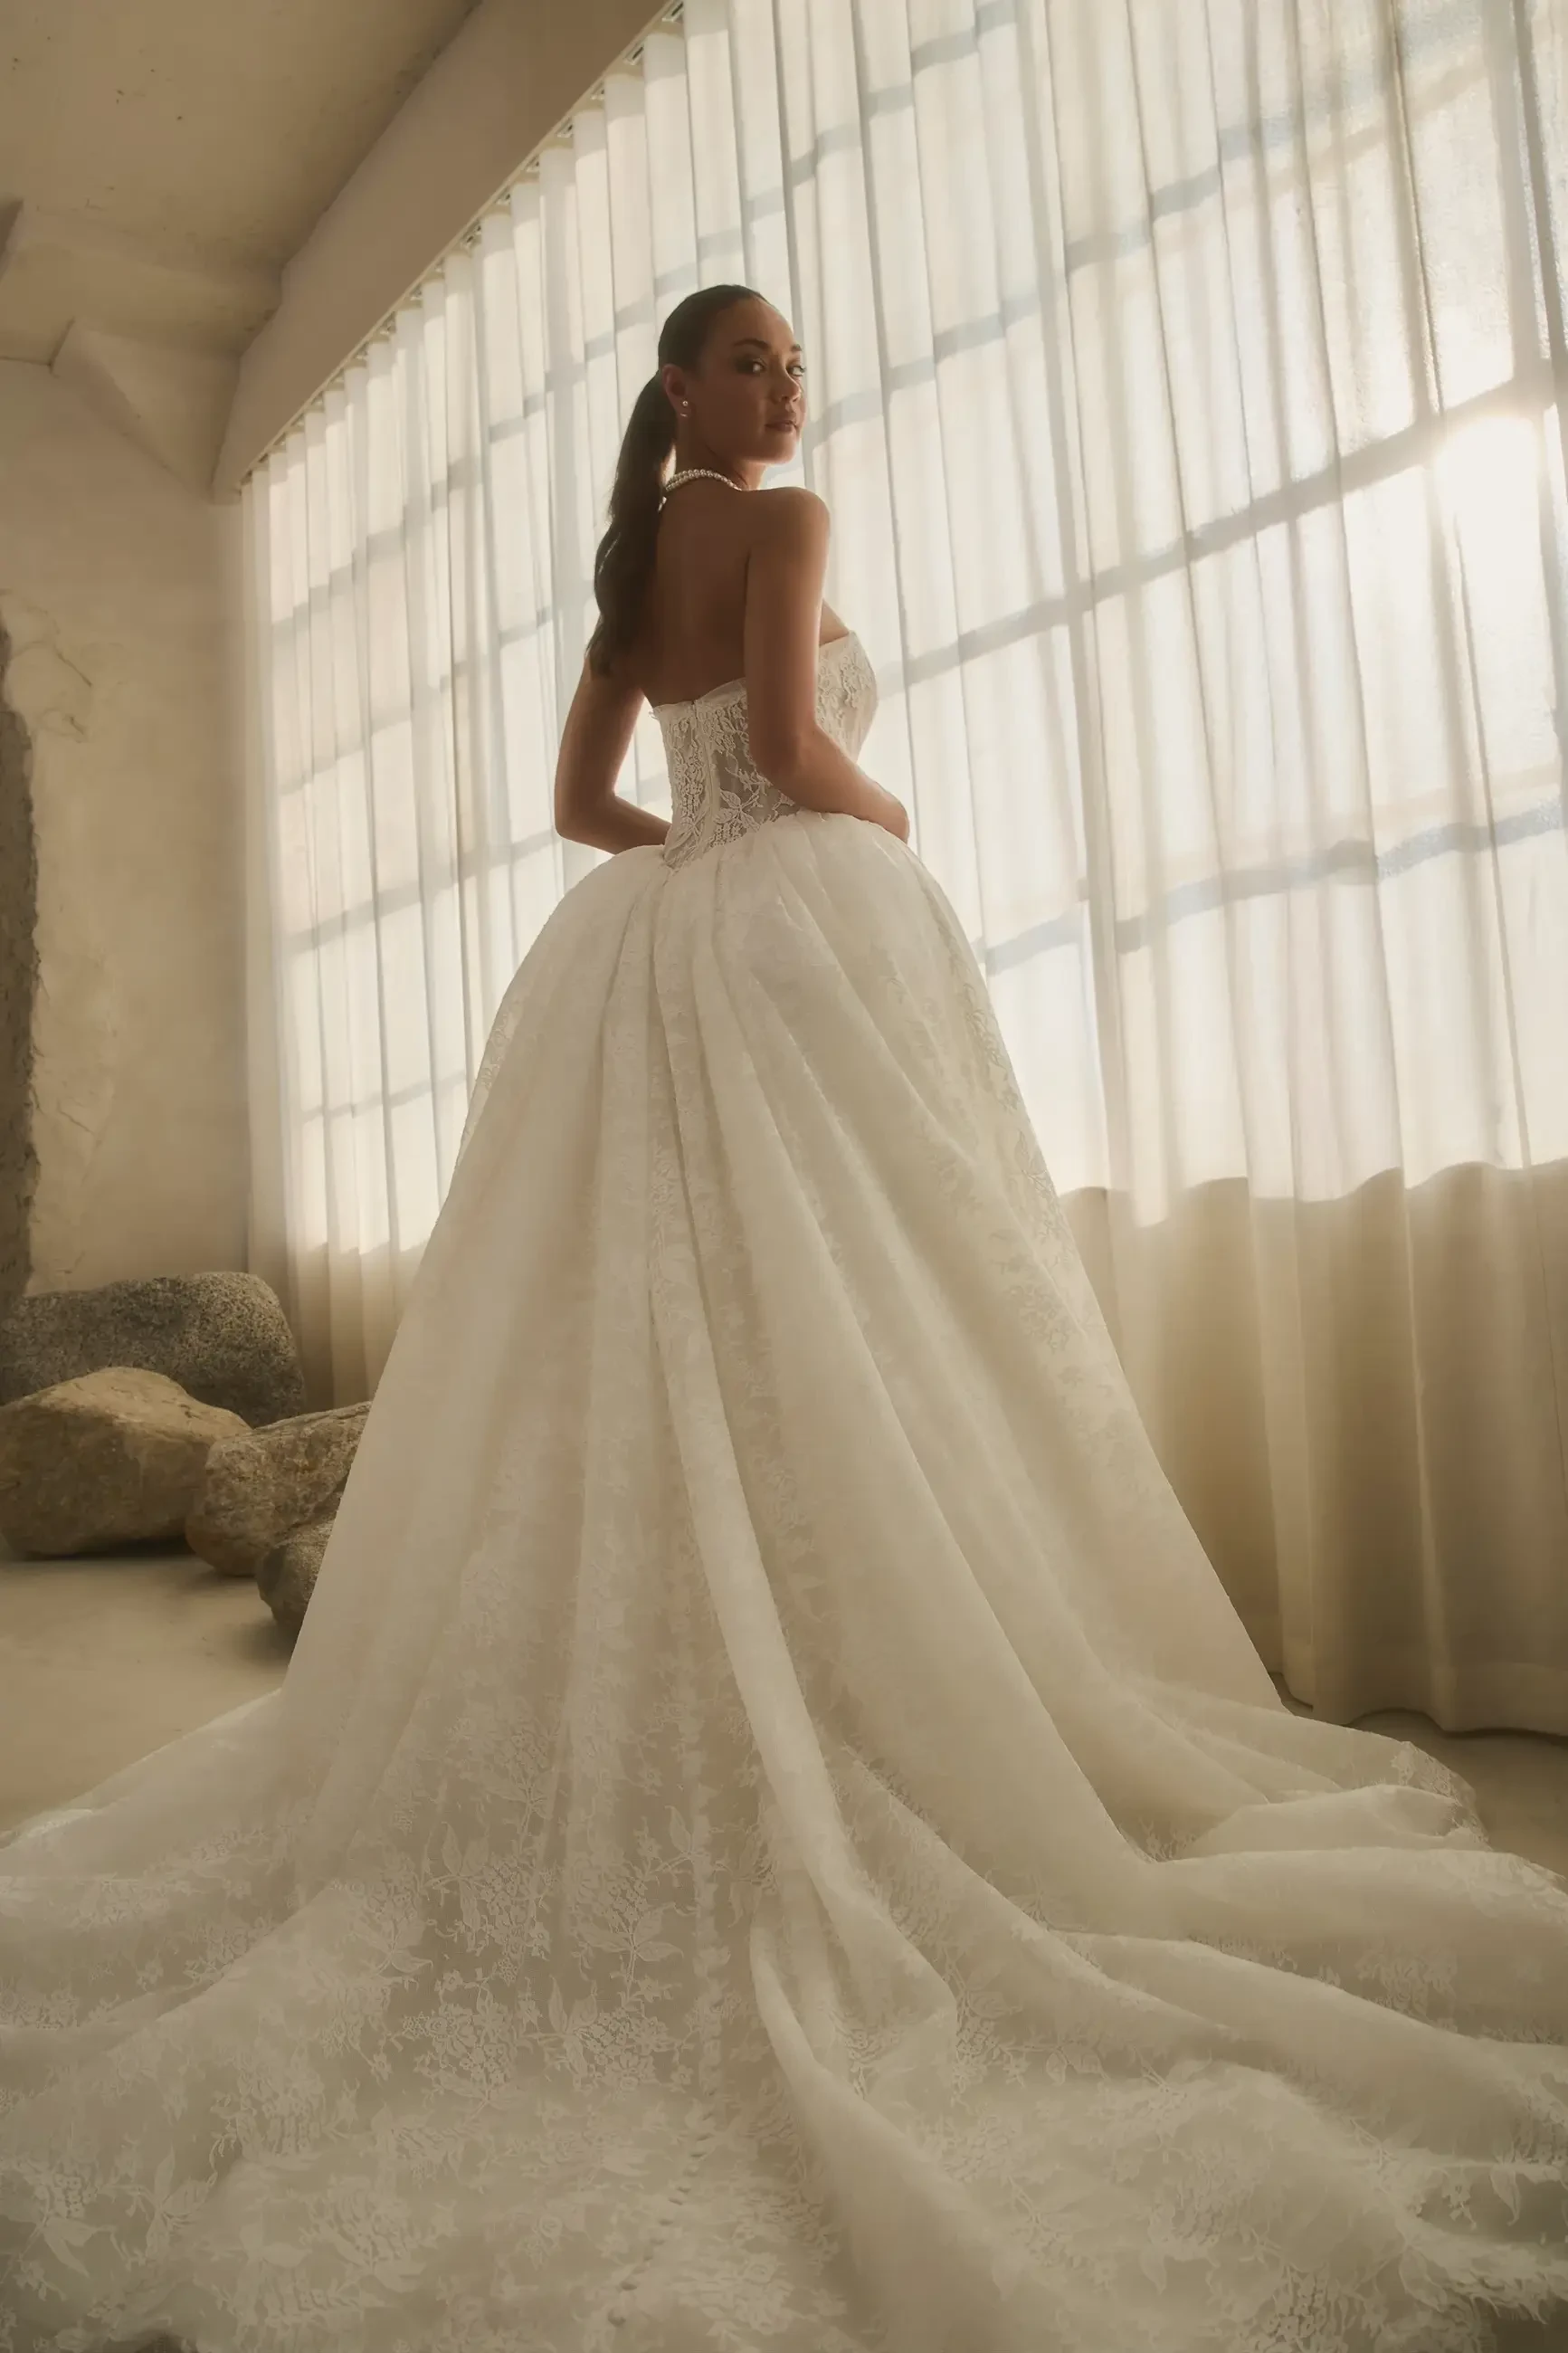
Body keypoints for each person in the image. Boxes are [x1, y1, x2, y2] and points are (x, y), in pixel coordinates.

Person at [1, 282, 1565, 2353]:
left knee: (701, 1328)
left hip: (657, 951)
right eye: (750, 358)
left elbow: (585, 806)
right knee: (851, 1303)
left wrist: (689, 854)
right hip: (788, 932)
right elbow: (799, 739)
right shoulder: (783, 519)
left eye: (792, 360)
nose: (784, 383)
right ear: (681, 384)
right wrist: (870, 823)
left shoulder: (625, 565)